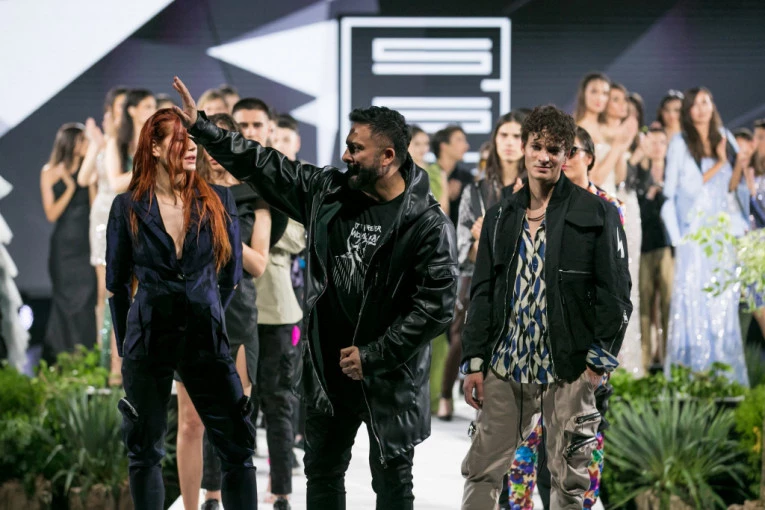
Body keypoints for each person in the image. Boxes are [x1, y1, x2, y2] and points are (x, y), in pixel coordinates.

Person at [172, 76, 458, 510]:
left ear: (388, 157)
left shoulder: (428, 224)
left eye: (356, 149)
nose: (345, 156)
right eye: (346, 145)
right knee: (322, 476)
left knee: (393, 485)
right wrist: (205, 129)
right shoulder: (330, 192)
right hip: (328, 373)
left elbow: (436, 308)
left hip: (390, 380)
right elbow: (266, 165)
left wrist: (374, 355)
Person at [460, 105, 631, 510]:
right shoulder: (500, 215)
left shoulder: (598, 212)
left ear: (567, 154)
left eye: (554, 149)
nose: (544, 156)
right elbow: (482, 293)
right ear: (524, 147)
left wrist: (597, 363)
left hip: (569, 365)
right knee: (482, 471)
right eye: (537, 146)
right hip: (506, 362)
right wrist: (475, 360)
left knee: (568, 482)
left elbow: (616, 293)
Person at [106, 108, 257, 510]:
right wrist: (126, 346)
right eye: (178, 139)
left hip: (206, 338)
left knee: (238, 446)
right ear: (154, 147)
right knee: (144, 451)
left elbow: (231, 276)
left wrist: (208, 311)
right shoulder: (127, 206)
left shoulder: (219, 199)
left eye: (193, 139)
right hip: (148, 338)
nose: (191, 147)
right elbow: (117, 286)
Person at [174, 113, 271, 510]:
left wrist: (223, 224)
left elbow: (258, 264)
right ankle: (193, 504)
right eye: (207, 144)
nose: (214, 153)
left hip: (238, 313)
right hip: (192, 313)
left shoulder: (255, 195)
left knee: (235, 421)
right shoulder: (183, 192)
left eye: (221, 142)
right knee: (190, 422)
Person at [439, 111, 527, 422]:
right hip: (481, 282)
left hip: (523, 284)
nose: (510, 143)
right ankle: (450, 397)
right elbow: (463, 251)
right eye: (504, 135)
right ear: (495, 140)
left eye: (517, 136)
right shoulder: (475, 191)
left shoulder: (534, 188)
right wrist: (481, 241)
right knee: (464, 338)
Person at [660, 87, 750, 385]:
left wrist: (737, 164)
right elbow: (679, 191)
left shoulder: (724, 136)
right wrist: (721, 162)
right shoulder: (680, 142)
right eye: (695, 104)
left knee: (722, 303)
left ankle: (724, 377)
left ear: (712, 106)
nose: (701, 108)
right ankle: (691, 377)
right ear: (688, 111)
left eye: (705, 102)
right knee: (693, 299)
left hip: (721, 233)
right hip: (693, 233)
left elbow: (732, 189)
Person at [253, 111, 305, 509]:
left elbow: (299, 236)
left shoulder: (288, 179)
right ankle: (219, 488)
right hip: (233, 304)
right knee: (236, 404)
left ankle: (281, 487)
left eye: (260, 127)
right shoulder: (232, 174)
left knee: (279, 402)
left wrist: (256, 233)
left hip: (278, 307)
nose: (255, 134)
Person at [104, 88, 156, 383]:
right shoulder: (119, 142)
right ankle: (117, 367)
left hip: (153, 217)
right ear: (133, 110)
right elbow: (114, 182)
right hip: (126, 217)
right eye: (147, 105)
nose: (152, 110)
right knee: (121, 289)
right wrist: (150, 169)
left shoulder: (156, 139)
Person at [41, 123, 98, 362]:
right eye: (83, 140)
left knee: (86, 300)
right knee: (64, 300)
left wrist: (88, 182)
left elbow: (95, 206)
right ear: (71, 143)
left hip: (86, 244)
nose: (86, 144)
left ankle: (86, 357)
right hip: (64, 247)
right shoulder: (50, 171)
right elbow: (51, 214)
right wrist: (70, 188)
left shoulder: (90, 169)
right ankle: (62, 358)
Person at [77, 87, 127, 354]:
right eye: (118, 106)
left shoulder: (128, 142)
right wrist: (97, 143)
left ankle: (122, 352)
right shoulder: (106, 141)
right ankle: (104, 353)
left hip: (124, 211)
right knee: (103, 288)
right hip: (101, 216)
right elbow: (84, 178)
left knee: (123, 284)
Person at [630, 123, 672, 372]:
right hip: (644, 247)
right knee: (644, 306)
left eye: (661, 142)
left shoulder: (674, 172)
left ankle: (669, 362)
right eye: (652, 142)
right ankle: (644, 363)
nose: (657, 147)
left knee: (668, 304)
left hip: (668, 247)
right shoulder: (639, 173)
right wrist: (650, 194)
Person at [429, 125, 471, 222]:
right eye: (459, 140)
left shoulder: (467, 178)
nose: (466, 146)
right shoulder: (426, 176)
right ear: (443, 146)